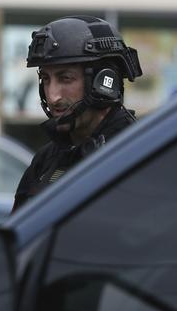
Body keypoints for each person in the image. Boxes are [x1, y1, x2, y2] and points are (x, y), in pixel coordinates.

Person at [12, 15, 143, 212]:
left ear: (103, 82)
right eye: (46, 79)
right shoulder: (46, 159)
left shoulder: (140, 152)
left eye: (65, 78)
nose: (53, 96)